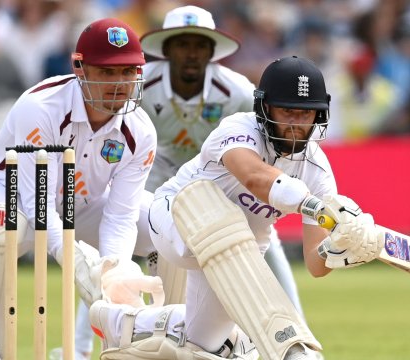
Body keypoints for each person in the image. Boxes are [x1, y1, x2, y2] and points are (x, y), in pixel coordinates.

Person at [88, 56, 382, 360]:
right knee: (225, 222)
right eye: (287, 111)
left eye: (306, 115)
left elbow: (314, 264)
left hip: (238, 259)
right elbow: (254, 177)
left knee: (201, 345)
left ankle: (121, 321)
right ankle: (287, 346)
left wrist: (341, 247)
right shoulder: (239, 128)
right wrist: (316, 207)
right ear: (265, 108)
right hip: (177, 218)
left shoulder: (317, 170)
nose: (296, 124)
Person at [69, 6, 307, 358]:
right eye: (183, 44)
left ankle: (297, 335)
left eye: (200, 45)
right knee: (117, 258)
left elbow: (261, 135)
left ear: (212, 52)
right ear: (167, 49)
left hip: (215, 181)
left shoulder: (237, 90)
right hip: (156, 181)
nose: (192, 54)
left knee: (264, 243)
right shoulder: (141, 85)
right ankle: (79, 347)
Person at [0, 18, 157, 360]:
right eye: (107, 72)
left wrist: (110, 271)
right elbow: (39, 203)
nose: (120, 84)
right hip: (8, 195)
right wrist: (75, 261)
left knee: (162, 220)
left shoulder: (140, 130)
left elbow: (121, 215)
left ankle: (163, 337)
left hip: (79, 205)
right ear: (79, 67)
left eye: (128, 71)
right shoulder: (42, 108)